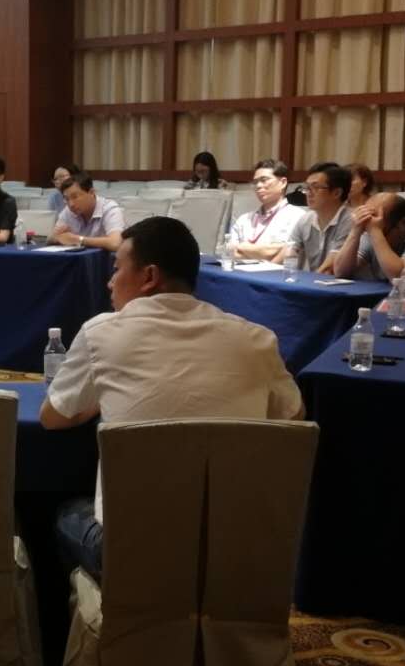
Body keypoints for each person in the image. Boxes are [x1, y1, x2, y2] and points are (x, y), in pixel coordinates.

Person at [40, 216, 303, 579]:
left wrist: (101, 396)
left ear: (149, 276)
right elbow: (294, 418)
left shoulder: (101, 333)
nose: (109, 282)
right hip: (237, 550)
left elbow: (52, 416)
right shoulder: (256, 339)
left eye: (116, 269)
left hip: (136, 553)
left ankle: (96, 611)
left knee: (66, 513)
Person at [228, 159, 308, 261]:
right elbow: (231, 252)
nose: (258, 186)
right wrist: (266, 252)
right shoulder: (244, 219)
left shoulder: (297, 217)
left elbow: (286, 254)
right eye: (255, 182)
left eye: (264, 180)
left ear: (283, 183)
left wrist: (242, 247)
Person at [288, 164, 353, 272]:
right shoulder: (306, 219)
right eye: (307, 188)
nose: (309, 193)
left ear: (337, 193)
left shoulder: (351, 220)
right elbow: (289, 252)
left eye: (315, 187)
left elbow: (330, 267)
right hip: (316, 279)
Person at [49, 170, 124, 252]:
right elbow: (51, 239)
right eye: (67, 199)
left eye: (75, 197)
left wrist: (78, 240)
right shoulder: (68, 211)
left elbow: (115, 243)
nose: (71, 204)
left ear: (91, 192)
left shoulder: (109, 208)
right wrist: (55, 237)